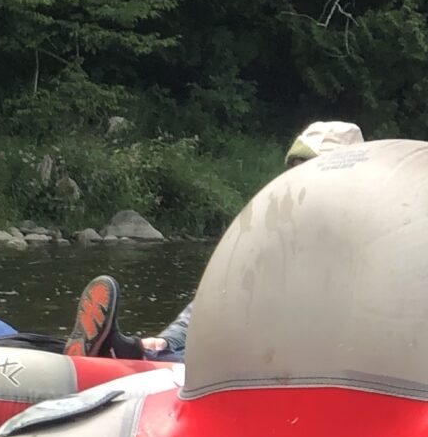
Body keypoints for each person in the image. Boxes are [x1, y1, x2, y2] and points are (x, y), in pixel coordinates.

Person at [62, 120, 364, 359]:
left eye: (315, 170)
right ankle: (142, 351)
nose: (302, 182)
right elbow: (219, 299)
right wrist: (167, 339)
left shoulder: (373, 243)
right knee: (185, 343)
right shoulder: (280, 236)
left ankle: (132, 354)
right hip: (254, 358)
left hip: (309, 366)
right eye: (297, 172)